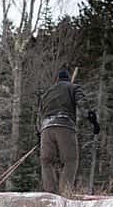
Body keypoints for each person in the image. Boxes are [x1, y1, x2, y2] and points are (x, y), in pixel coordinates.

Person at [37, 67, 100, 197]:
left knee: (46, 162)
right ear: (67, 78)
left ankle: (50, 195)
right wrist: (92, 120)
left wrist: (39, 134)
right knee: (70, 161)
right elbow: (82, 104)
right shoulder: (73, 88)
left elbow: (39, 115)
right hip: (64, 126)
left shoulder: (47, 93)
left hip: (46, 128)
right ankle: (64, 195)